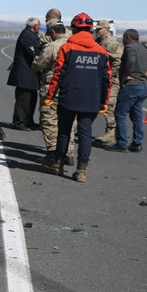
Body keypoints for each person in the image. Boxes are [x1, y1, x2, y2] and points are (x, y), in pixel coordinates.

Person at [44, 13, 110, 182]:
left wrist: (50, 96)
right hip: (91, 100)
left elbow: (58, 74)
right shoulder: (101, 52)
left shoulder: (67, 48)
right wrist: (104, 102)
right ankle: (81, 171)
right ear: (90, 30)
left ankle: (57, 164)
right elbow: (106, 80)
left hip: (68, 98)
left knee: (64, 132)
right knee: (85, 134)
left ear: (73, 29)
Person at [31, 19, 75, 167]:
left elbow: (38, 64)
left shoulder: (53, 46)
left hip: (52, 89)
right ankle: (68, 154)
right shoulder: (75, 45)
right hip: (71, 90)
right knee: (69, 123)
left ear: (53, 32)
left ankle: (52, 154)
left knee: (50, 121)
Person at [105, 29, 147, 153]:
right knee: (136, 116)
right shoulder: (144, 49)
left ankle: (121, 143)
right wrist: (142, 76)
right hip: (142, 86)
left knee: (120, 114)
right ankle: (137, 143)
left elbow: (131, 61)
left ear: (127, 37)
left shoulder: (129, 48)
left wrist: (126, 75)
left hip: (131, 87)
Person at [7, 17, 41, 131]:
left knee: (32, 97)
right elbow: (33, 52)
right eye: (39, 26)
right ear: (35, 26)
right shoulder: (27, 35)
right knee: (23, 99)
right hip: (24, 72)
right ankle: (19, 122)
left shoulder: (32, 35)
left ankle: (28, 120)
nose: (40, 28)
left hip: (30, 73)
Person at [93, 19, 123, 145]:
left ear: (107, 29)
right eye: (97, 29)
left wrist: (111, 73)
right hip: (101, 77)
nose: (97, 31)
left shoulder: (109, 42)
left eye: (100, 29)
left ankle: (111, 132)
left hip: (110, 79)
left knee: (109, 105)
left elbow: (117, 59)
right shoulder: (99, 41)